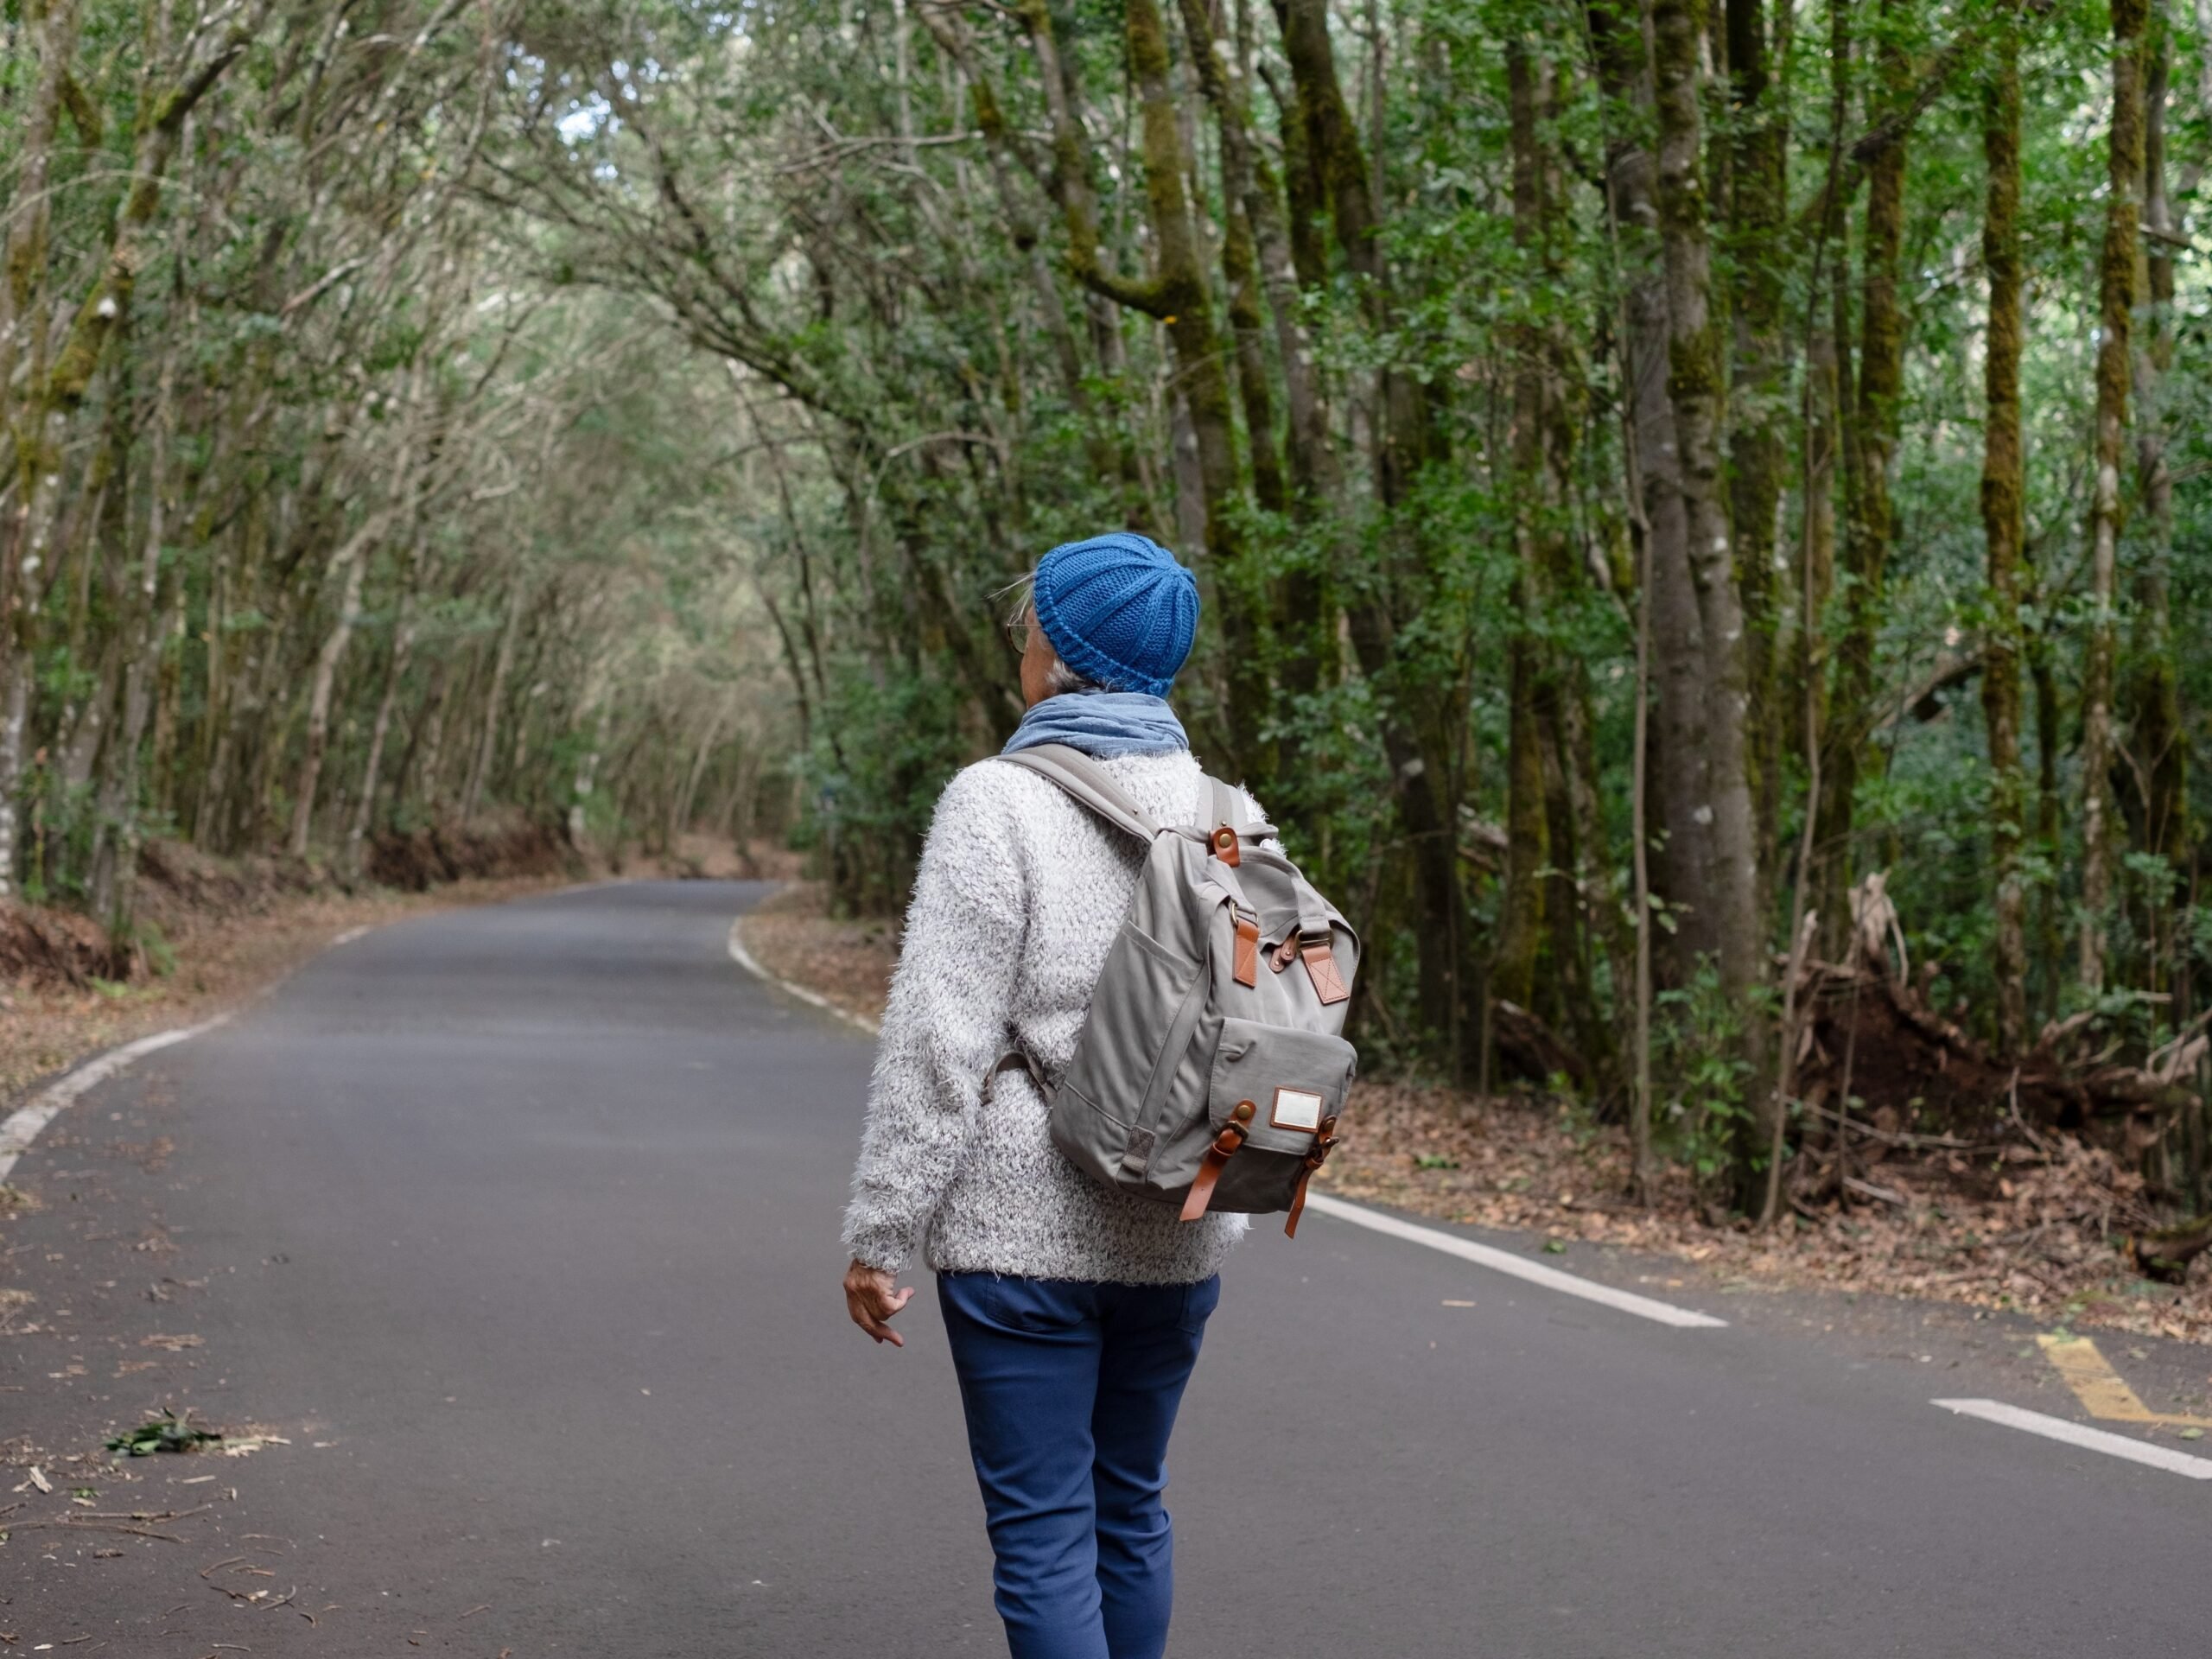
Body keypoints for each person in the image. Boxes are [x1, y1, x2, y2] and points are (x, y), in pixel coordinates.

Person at [840, 531, 1259, 1659]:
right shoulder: (1228, 811)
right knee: (1132, 1509)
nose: (1022, 646)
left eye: (1031, 627)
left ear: (1059, 657)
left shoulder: (997, 803)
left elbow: (940, 1044)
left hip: (1019, 1237)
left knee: (1042, 1533)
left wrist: (884, 1232)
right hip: (1180, 1228)